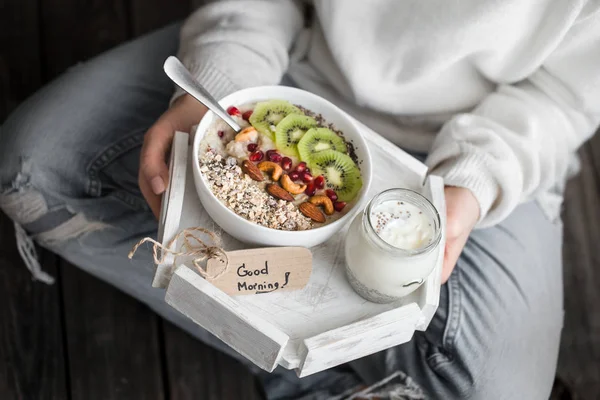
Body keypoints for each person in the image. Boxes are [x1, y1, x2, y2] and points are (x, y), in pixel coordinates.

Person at [1, 0, 599, 398]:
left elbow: (565, 95)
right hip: (293, 72)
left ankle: (302, 362)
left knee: (500, 388)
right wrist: (217, 84)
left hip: (495, 136)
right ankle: (307, 372)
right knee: (27, 169)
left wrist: (471, 187)